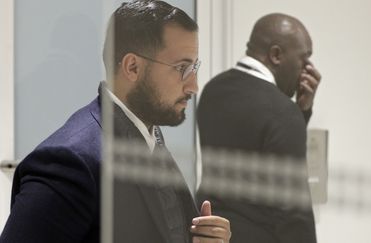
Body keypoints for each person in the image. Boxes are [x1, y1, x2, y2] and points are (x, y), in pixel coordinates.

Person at [0, 1, 231, 243]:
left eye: (194, 67)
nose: (193, 85)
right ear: (132, 67)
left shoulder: (148, 135)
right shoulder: (70, 163)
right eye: (182, 67)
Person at [197, 13, 321, 243]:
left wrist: (299, 113)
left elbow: (254, 146)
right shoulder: (282, 112)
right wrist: (294, 113)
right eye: (304, 60)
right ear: (276, 55)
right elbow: (293, 213)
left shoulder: (212, 91)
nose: (307, 70)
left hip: (211, 235)